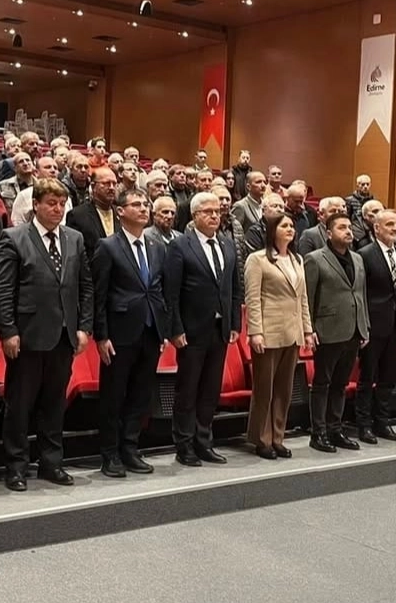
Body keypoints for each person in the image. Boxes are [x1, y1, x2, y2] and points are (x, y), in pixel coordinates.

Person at [0, 178, 92, 491]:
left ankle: (51, 463)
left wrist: (84, 326)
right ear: (35, 204)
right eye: (51, 203)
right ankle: (16, 466)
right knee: (19, 405)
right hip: (27, 335)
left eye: (62, 204)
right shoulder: (14, 237)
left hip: (63, 335)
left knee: (54, 403)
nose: (57, 209)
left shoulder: (74, 238)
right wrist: (8, 331)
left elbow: (85, 286)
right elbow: (4, 289)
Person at [93, 188, 170, 478]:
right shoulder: (108, 246)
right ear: (120, 211)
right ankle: (110, 453)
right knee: (114, 396)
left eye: (145, 204)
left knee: (140, 395)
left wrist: (163, 328)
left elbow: (159, 290)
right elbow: (99, 295)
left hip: (150, 331)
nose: (143, 208)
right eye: (136, 204)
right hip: (119, 333)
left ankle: (130, 448)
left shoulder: (156, 246)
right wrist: (101, 336)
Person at [164, 192, 242, 466]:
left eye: (217, 212)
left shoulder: (227, 244)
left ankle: (204, 441)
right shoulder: (180, 246)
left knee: (210, 389)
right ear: (195, 215)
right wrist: (175, 328)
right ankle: (184, 445)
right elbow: (171, 292)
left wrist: (235, 323)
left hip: (220, 329)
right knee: (188, 390)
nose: (214, 216)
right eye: (208, 212)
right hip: (192, 330)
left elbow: (234, 289)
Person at [244, 213, 314, 459]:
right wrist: (255, 331)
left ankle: (278, 437)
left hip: (292, 332)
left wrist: (307, 330)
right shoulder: (258, 259)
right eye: (284, 226)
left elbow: (302, 298)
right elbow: (252, 299)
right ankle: (261, 439)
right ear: (272, 230)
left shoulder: (297, 259)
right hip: (269, 332)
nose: (290, 229)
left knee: (284, 390)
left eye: (292, 226)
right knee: (265, 389)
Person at [304, 213, 370, 452]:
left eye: (349, 227)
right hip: (327, 330)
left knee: (341, 384)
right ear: (329, 233)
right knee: (322, 383)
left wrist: (365, 325)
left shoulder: (358, 258)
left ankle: (335, 429)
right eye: (342, 227)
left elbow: (360, 294)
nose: (348, 231)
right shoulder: (315, 259)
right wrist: (309, 329)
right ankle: (318, 433)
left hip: (353, 329)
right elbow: (308, 297)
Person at [355, 210, 396, 443]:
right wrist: (362, 326)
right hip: (372, 326)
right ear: (376, 228)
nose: (395, 228)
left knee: (388, 377)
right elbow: (360, 293)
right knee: (368, 377)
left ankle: (382, 422)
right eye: (389, 224)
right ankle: (363, 425)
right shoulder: (365, 254)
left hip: (395, 325)